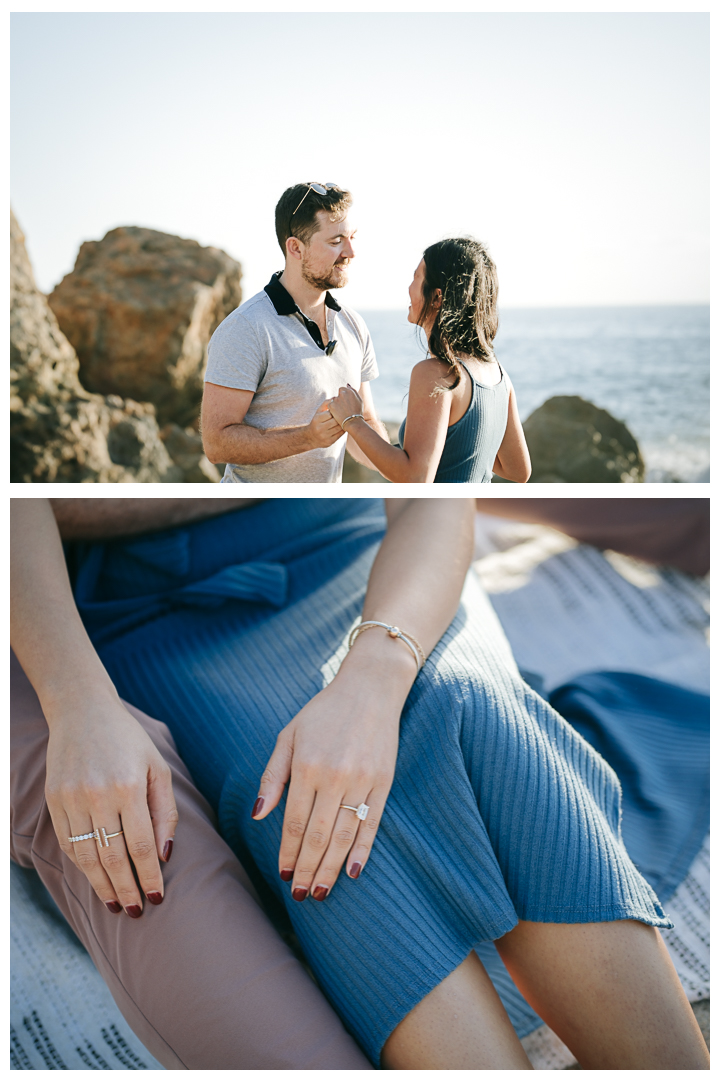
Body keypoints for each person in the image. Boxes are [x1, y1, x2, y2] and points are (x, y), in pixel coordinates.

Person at [10, 497, 709, 1071]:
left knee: (465, 701)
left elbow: (430, 479)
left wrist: (373, 677)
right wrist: (78, 703)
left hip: (338, 545)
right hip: (124, 606)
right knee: (303, 805)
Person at [201, 182, 389, 483]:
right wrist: (308, 437)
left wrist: (404, 466)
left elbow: (362, 425)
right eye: (336, 241)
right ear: (295, 248)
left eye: (351, 237)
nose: (350, 252)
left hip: (326, 518)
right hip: (258, 520)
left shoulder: (354, 325)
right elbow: (216, 444)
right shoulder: (246, 328)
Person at [328, 238, 532, 483]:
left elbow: (416, 477)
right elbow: (518, 470)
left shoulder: (436, 375)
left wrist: (354, 421)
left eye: (416, 277)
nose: (409, 288)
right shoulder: (498, 374)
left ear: (437, 297)